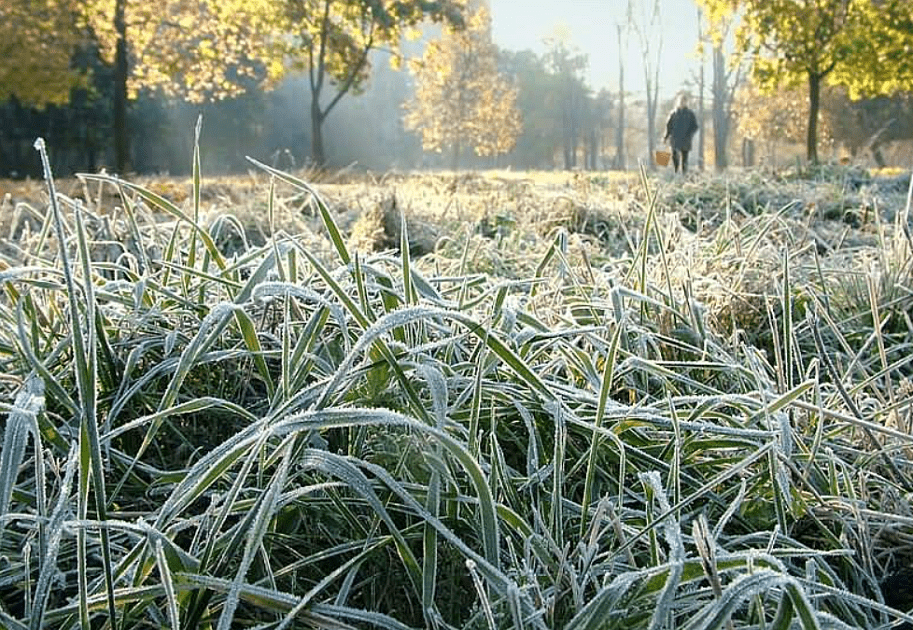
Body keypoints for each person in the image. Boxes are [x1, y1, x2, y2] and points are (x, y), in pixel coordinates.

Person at [663, 94, 699, 174]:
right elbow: (669, 126)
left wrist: (690, 134)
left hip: (686, 139)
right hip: (675, 139)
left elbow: (695, 126)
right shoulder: (674, 113)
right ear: (678, 102)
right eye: (681, 101)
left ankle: (684, 175)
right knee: (675, 157)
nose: (683, 103)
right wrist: (665, 137)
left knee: (685, 159)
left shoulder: (690, 114)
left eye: (684, 101)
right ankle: (676, 172)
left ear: (687, 103)